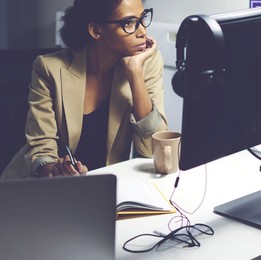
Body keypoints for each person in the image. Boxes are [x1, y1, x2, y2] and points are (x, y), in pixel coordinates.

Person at [1, 0, 168, 179]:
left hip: (103, 187)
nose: (143, 32)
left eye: (143, 19)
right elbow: (41, 147)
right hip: (37, 188)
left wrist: (135, 73)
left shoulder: (146, 62)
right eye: (128, 23)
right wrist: (55, 170)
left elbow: (155, 150)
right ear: (96, 31)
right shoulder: (49, 69)